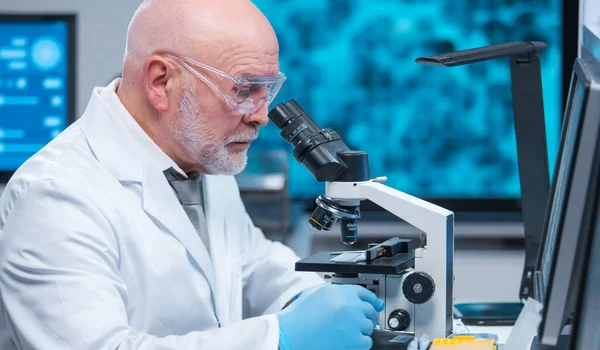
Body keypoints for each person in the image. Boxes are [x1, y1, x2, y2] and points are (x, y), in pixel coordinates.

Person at [0, 0, 385, 349]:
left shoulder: (199, 157)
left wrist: (311, 297)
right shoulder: (53, 198)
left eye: (266, 90)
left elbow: (250, 263)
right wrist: (277, 338)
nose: (261, 116)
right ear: (160, 82)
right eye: (244, 89)